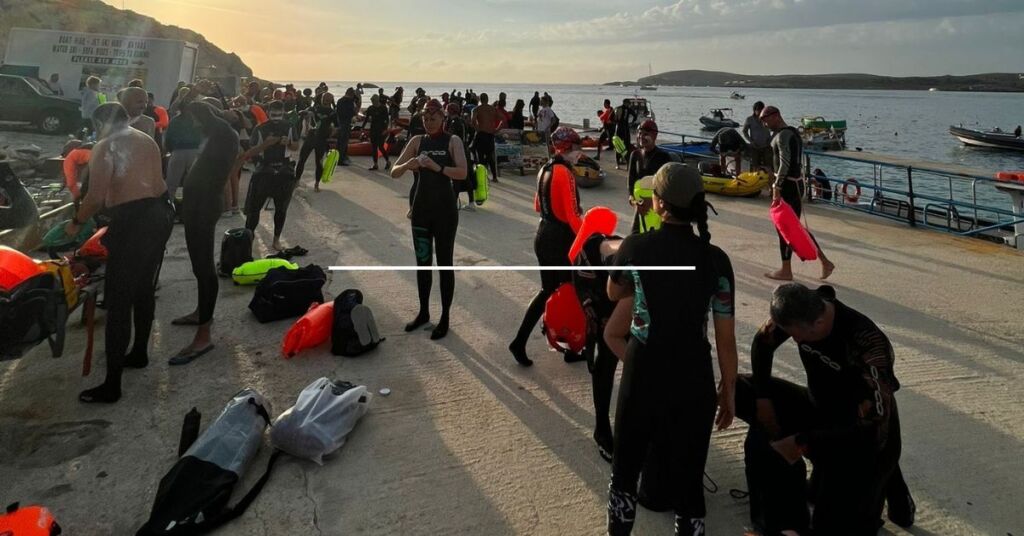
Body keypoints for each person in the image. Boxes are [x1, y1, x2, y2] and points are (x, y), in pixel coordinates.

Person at [604, 162, 737, 536]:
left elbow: (613, 292)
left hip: (644, 367)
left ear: (659, 205)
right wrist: (729, 389)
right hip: (694, 374)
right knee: (689, 478)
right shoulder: (717, 261)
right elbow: (725, 337)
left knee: (626, 472)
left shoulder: (637, 246)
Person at [735, 283, 915, 535]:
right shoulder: (803, 308)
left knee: (833, 525)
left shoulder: (868, 345)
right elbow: (763, 343)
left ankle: (886, 482)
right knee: (739, 389)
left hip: (863, 436)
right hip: (818, 407)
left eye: (797, 335)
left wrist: (801, 442)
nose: (793, 340)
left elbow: (873, 428)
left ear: (819, 323)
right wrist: (762, 398)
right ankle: (791, 511)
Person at [69, 103, 174, 404]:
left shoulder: (106, 146)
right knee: (143, 288)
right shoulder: (145, 138)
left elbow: (96, 197)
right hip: (160, 214)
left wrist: (76, 224)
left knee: (117, 301)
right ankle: (139, 351)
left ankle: (111, 384)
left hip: (135, 222)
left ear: (99, 123)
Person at [389, 99, 468, 340]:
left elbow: (463, 173)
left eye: (433, 118)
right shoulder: (417, 141)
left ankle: (444, 317)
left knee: (445, 264)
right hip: (421, 210)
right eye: (425, 119)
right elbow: (394, 171)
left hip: (445, 212)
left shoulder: (452, 141)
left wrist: (438, 167)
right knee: (422, 262)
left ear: (443, 119)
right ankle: (423, 312)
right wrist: (407, 165)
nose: (429, 122)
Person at [169, 101, 239, 365]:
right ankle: (201, 313)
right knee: (199, 267)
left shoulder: (222, 133)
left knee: (205, 266)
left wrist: (197, 100)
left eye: (194, 120)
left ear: (201, 117)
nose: (193, 126)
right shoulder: (214, 133)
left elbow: (211, 119)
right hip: (196, 204)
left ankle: (204, 334)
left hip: (205, 206)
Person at [508, 127, 586, 366]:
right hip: (559, 240)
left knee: (549, 291)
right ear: (566, 149)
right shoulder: (565, 173)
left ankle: (545, 343)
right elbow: (573, 215)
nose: (580, 154)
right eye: (576, 149)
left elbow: (537, 205)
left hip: (543, 234)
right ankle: (568, 346)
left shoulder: (545, 169)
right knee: (571, 291)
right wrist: (585, 240)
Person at [761, 106, 835, 281]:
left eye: (766, 120)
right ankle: (825, 262)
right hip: (795, 184)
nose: (765, 124)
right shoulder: (792, 132)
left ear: (777, 116)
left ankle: (786, 270)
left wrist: (777, 188)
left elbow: (785, 162)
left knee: (785, 228)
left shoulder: (783, 135)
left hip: (788, 186)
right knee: (794, 228)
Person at [241, 100, 301, 250]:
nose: (276, 117)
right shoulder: (260, 129)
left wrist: (288, 143)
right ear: (268, 113)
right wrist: (265, 144)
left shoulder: (289, 127)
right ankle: (249, 237)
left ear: (283, 113)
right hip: (264, 171)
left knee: (281, 209)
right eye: (273, 114)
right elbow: (250, 152)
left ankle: (276, 239)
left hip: (284, 171)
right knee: (254, 209)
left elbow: (296, 146)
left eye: (279, 114)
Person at [627, 120, 673, 233]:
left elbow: (668, 186)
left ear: (655, 135)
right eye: (640, 133)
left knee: (656, 241)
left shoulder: (664, 157)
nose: (641, 137)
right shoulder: (635, 155)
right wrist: (634, 202)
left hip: (658, 208)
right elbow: (630, 183)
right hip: (640, 207)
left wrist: (653, 202)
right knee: (635, 237)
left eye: (645, 134)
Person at [295, 92, 337, 192]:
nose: (326, 100)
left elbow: (337, 126)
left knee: (319, 162)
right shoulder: (314, 108)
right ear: (321, 98)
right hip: (310, 138)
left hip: (322, 140)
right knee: (302, 160)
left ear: (331, 100)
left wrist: (331, 135)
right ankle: (296, 181)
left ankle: (317, 184)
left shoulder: (332, 112)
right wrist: (306, 113)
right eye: (325, 98)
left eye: (328, 99)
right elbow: (300, 112)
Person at [164, 104, 202, 210]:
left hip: (178, 151)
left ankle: (168, 206)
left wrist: (171, 150)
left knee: (172, 182)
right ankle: (195, 206)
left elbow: (168, 138)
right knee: (195, 181)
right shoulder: (197, 120)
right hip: (195, 151)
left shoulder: (175, 121)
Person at [471, 92, 500, 182]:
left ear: (480, 99)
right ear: (487, 99)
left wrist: (477, 128)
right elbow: (502, 119)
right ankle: (494, 177)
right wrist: (497, 129)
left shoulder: (476, 109)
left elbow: (473, 120)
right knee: (490, 156)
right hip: (490, 134)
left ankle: (482, 176)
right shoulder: (493, 109)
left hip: (481, 133)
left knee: (480, 155)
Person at [361, 94, 392, 171]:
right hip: (373, 129)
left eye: (373, 101)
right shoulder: (371, 108)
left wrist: (386, 129)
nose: (372, 102)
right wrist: (362, 127)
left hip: (381, 130)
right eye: (371, 101)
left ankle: (388, 161)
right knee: (374, 147)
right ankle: (375, 164)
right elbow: (366, 118)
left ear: (377, 100)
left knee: (381, 147)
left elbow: (387, 120)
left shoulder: (383, 108)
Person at [744, 101, 773, 171]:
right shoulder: (749, 119)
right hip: (755, 147)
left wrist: (771, 140)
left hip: (767, 146)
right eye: (758, 110)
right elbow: (744, 131)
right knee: (755, 166)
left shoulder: (767, 118)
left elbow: (774, 129)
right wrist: (751, 141)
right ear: (754, 110)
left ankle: (770, 180)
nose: (760, 112)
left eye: (762, 110)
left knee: (769, 165)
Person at [336, 88, 358, 166]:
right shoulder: (349, 102)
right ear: (351, 94)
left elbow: (337, 112)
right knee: (344, 142)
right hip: (346, 123)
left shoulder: (339, 100)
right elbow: (351, 113)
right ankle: (341, 159)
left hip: (340, 122)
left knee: (340, 142)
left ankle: (340, 157)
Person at [614, 99, 636, 169]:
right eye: (628, 103)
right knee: (627, 146)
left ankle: (618, 164)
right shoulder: (628, 109)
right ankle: (627, 165)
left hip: (618, 128)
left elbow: (612, 118)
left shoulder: (618, 108)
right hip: (625, 129)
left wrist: (616, 123)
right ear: (625, 103)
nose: (629, 105)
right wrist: (631, 123)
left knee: (618, 146)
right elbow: (635, 116)